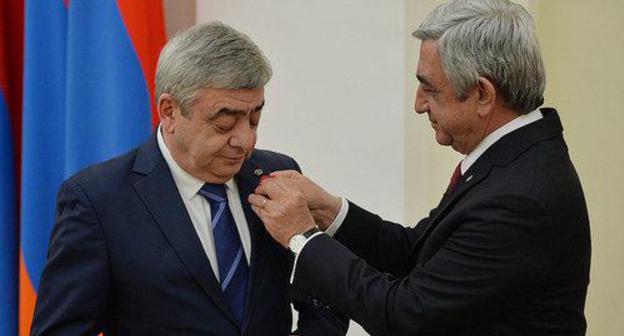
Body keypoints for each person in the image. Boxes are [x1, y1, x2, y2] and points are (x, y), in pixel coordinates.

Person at [249, 0, 591, 335]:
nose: (418, 104)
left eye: (429, 87)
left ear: (483, 94)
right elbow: (417, 252)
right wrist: (329, 211)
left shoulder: (520, 198)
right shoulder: (511, 158)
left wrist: (302, 237)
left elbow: (404, 315)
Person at [31, 22, 347, 336]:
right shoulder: (98, 200)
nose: (246, 140)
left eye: (254, 118)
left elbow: (325, 300)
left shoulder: (276, 174)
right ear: (169, 111)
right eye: (225, 122)